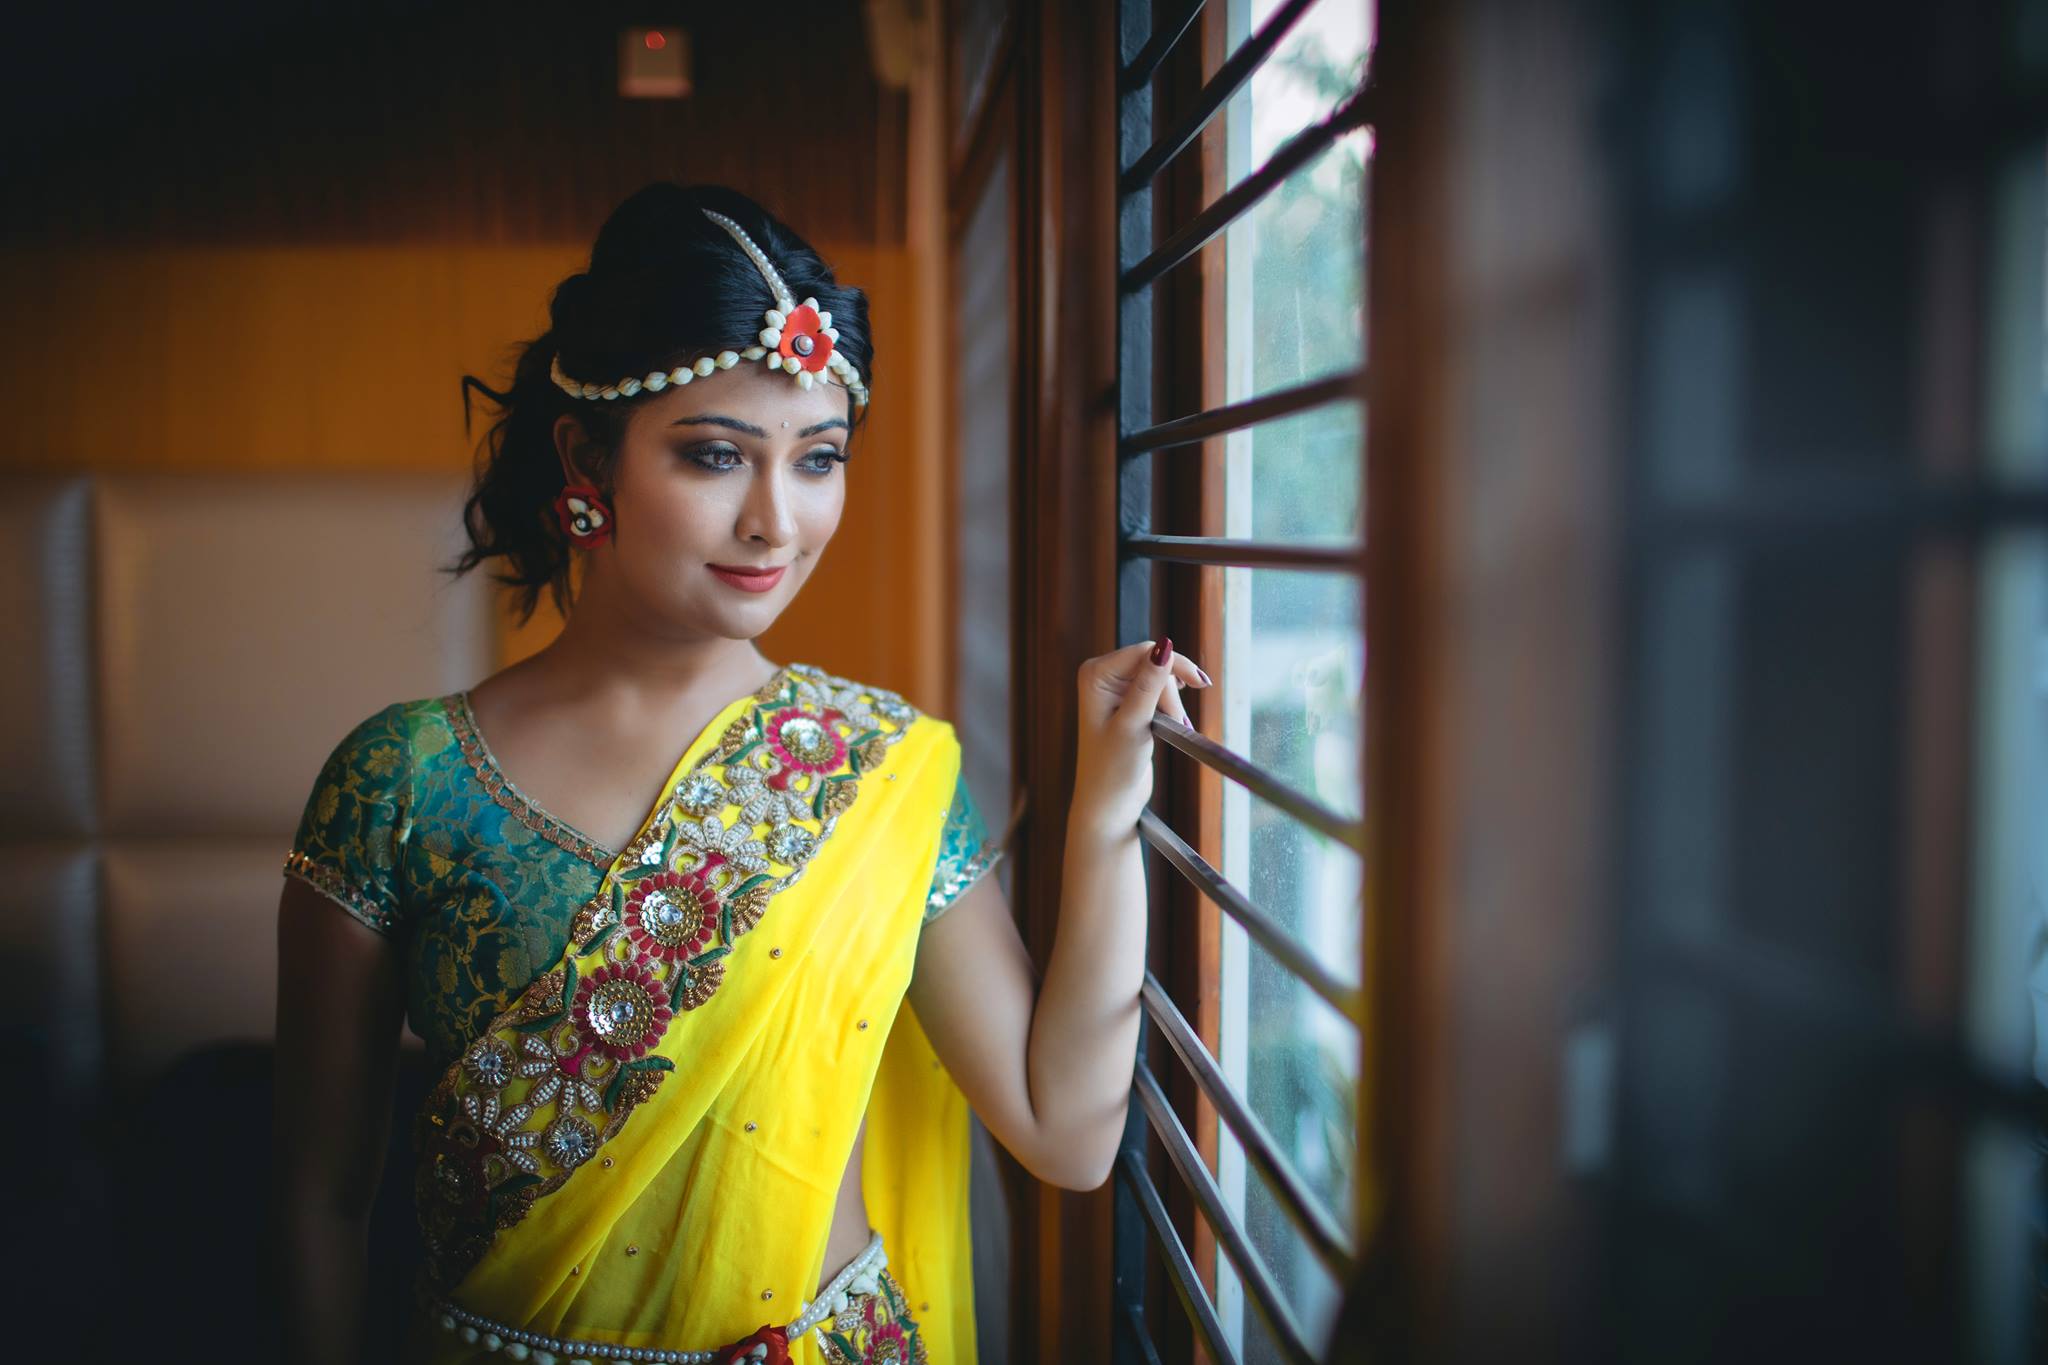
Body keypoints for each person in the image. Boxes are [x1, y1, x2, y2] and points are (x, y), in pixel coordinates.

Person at [271, 181, 1210, 1365]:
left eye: (817, 460)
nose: (777, 521)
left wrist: (1106, 812)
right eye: (716, 456)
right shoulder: (398, 784)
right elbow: (316, 1205)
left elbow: (1066, 1131)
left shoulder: (880, 773)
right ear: (585, 456)